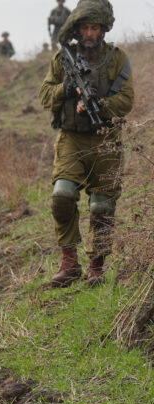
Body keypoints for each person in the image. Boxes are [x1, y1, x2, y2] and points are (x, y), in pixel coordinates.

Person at [38, 0, 134, 286]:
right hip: (71, 139)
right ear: (77, 28)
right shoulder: (61, 59)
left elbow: (126, 100)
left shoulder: (117, 58)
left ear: (103, 29)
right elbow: (44, 96)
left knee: (101, 207)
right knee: (62, 196)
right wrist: (67, 89)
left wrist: (99, 106)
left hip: (106, 141)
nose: (89, 33)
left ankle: (97, 265)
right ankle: (69, 262)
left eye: (95, 27)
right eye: (85, 27)